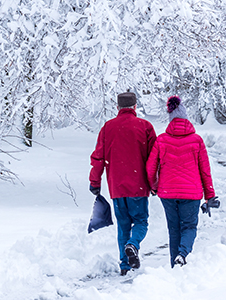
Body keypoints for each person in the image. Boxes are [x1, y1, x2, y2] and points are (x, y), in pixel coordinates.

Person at [89, 92, 157, 276]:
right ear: (135, 107)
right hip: (139, 185)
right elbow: (154, 160)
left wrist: (95, 181)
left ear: (118, 108)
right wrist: (154, 183)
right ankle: (133, 245)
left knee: (123, 225)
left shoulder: (108, 128)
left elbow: (98, 157)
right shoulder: (145, 127)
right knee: (141, 222)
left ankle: (124, 265)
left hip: (117, 186)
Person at [146, 95, 217, 268]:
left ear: (170, 120)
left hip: (167, 193)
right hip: (191, 194)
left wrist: (154, 187)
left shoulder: (162, 140)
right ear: (187, 119)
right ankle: (183, 255)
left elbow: (150, 167)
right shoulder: (197, 141)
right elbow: (205, 171)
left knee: (174, 229)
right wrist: (210, 195)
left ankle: (174, 264)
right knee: (189, 226)